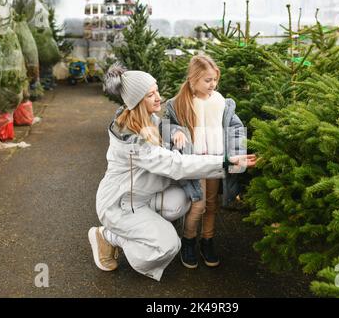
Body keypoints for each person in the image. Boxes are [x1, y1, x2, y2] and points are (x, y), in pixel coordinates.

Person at [89, 64, 256, 281]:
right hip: (119, 205)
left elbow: (168, 127)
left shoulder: (150, 119)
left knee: (181, 200)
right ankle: (110, 236)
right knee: (168, 246)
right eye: (151, 94)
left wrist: (176, 131)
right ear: (137, 101)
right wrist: (225, 162)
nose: (159, 98)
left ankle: (141, 230)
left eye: (157, 90)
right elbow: (177, 164)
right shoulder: (133, 141)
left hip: (142, 197)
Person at [165, 54, 247, 269]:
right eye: (207, 80)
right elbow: (165, 125)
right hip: (194, 161)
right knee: (198, 204)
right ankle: (189, 240)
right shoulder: (179, 103)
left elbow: (237, 128)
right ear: (193, 80)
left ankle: (207, 241)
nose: (213, 84)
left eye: (215, 79)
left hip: (217, 160)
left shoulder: (221, 102)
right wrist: (176, 132)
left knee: (212, 204)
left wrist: (237, 154)